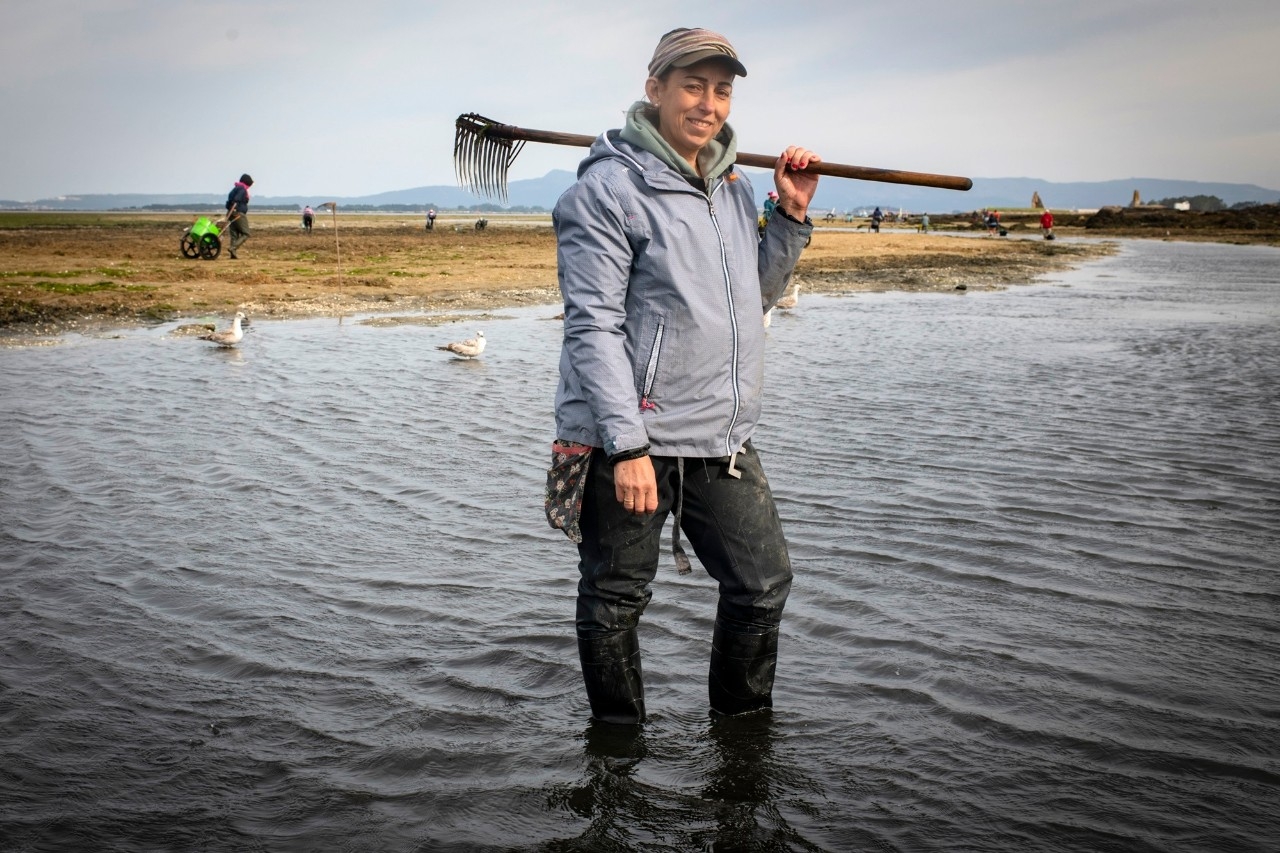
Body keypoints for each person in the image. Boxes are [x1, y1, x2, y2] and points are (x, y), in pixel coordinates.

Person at [548, 27, 820, 725]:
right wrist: (628, 447)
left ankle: (742, 731)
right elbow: (592, 326)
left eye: (722, 89)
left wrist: (789, 213)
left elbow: (749, 295)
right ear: (656, 89)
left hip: (719, 436)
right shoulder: (610, 189)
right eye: (693, 85)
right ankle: (616, 744)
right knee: (616, 595)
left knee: (762, 584)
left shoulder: (733, 185)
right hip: (632, 434)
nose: (708, 102)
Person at [224, 173, 253, 258]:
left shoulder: (235, 188)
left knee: (234, 234)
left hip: (231, 213)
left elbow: (230, 200)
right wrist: (235, 208)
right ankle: (233, 248)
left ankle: (233, 254)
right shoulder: (242, 189)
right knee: (246, 233)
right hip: (238, 213)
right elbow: (236, 199)